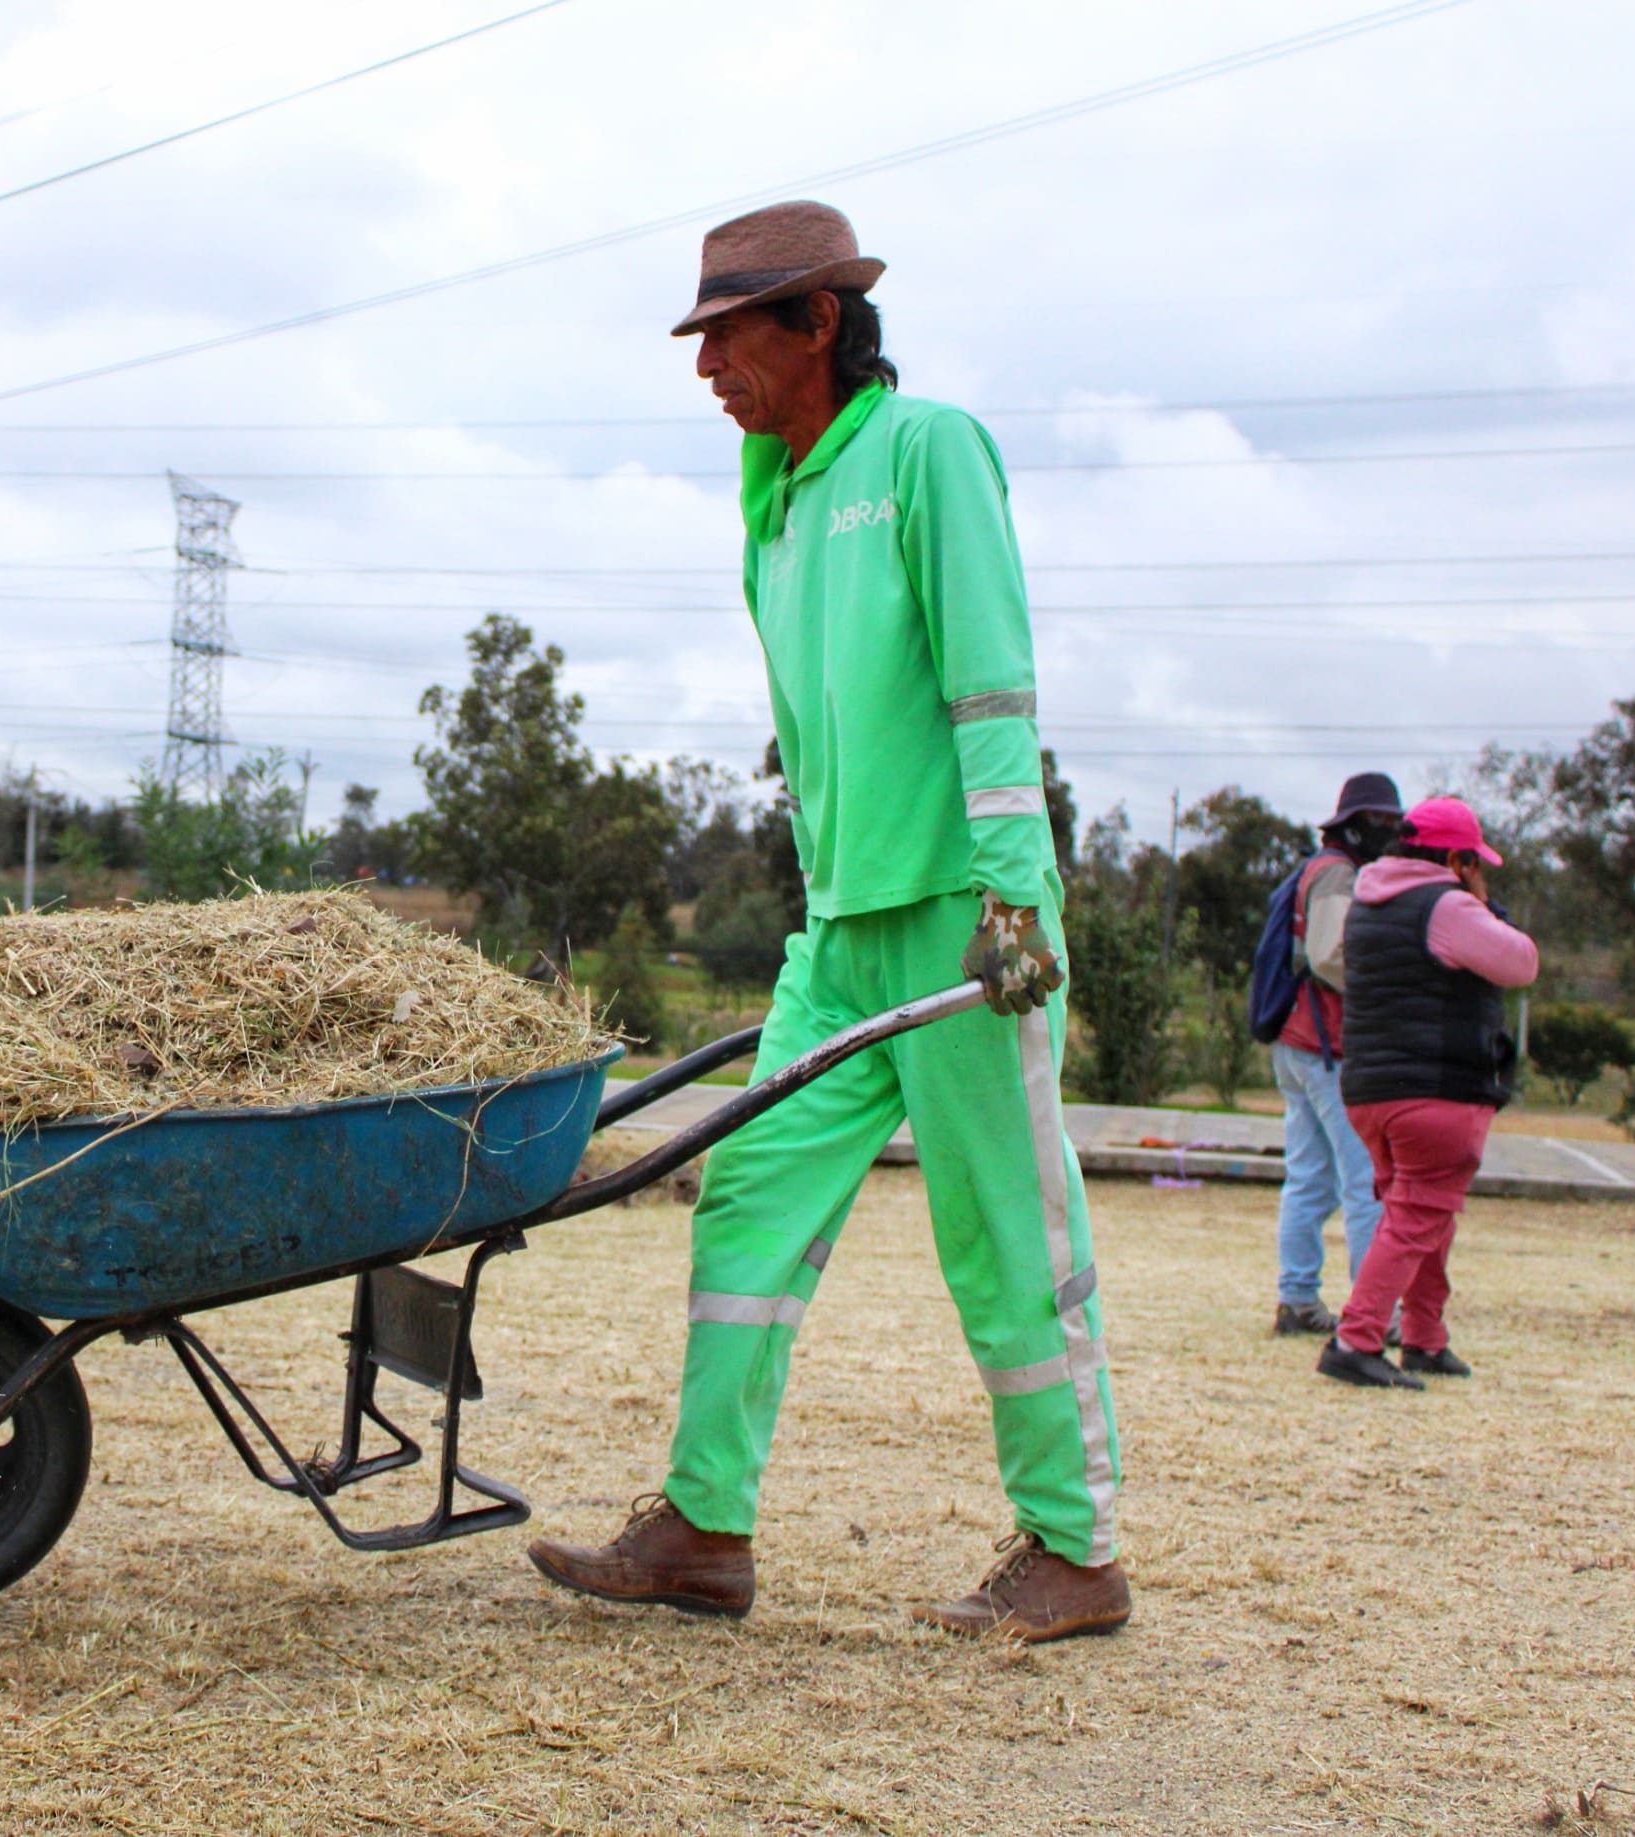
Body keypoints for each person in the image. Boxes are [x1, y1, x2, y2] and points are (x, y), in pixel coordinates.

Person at [525, 201, 1127, 1642]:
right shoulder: (773, 498)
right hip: (843, 930)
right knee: (749, 1196)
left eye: (729, 333)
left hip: (960, 924)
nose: (706, 365)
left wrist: (1014, 893)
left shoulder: (928, 453)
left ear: (818, 323)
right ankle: (703, 1527)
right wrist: (818, 903)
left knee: (1003, 1233)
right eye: (703, 336)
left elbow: (990, 683)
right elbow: (816, 730)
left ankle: (1077, 1551)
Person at [1318, 797, 1538, 1390]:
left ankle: (1424, 1337)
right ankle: (1357, 1338)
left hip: (1371, 1088)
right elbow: (1521, 962)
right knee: (1418, 1219)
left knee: (1420, 1215)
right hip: (1437, 1089)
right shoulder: (1446, 906)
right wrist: (1483, 901)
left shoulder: (1368, 900)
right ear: (1454, 857)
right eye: (1473, 861)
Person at [1269, 773, 1403, 1336]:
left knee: (1310, 1179)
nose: (1390, 832)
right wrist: (1390, 989)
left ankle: (1297, 1299)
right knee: (1364, 1182)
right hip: (1325, 1048)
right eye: (1384, 823)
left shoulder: (1319, 869)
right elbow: (1330, 955)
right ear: (1355, 824)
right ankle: (1377, 1314)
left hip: (1297, 1042)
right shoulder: (1336, 875)